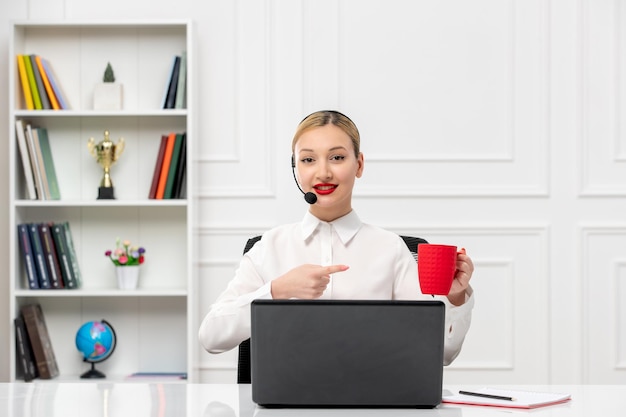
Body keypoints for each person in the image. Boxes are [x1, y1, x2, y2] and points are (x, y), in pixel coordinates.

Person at [199, 110, 475, 365]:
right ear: (295, 168)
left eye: (337, 157)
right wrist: (277, 290)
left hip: (371, 404)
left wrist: (456, 296)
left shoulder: (391, 249)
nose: (323, 172)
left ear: (359, 164)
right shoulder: (268, 247)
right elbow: (211, 337)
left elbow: (441, 354)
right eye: (308, 160)